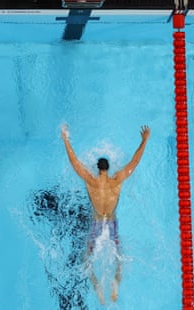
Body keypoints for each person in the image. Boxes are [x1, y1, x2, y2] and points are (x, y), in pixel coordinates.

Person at [60, 124, 150, 304]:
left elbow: (74, 162)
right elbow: (134, 162)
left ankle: (97, 287)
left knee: (87, 259)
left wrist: (66, 141)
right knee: (119, 259)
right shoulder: (117, 180)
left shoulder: (91, 181)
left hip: (96, 224)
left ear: (97, 168)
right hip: (112, 224)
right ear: (108, 168)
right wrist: (144, 140)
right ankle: (115, 284)